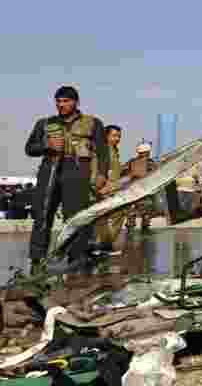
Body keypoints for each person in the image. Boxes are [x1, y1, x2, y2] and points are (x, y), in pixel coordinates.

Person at [24, 86, 108, 272]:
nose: (61, 105)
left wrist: (102, 174)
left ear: (76, 102)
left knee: (75, 218)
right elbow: (29, 148)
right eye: (58, 101)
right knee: (43, 215)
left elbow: (103, 152)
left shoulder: (93, 123)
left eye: (65, 101)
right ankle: (37, 261)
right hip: (49, 171)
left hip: (77, 172)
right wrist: (46, 144)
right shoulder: (44, 123)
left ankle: (75, 259)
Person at [93, 125, 125, 249]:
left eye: (119, 136)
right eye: (114, 136)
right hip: (105, 189)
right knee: (105, 218)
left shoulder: (114, 151)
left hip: (113, 189)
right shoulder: (104, 150)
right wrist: (100, 187)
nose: (117, 139)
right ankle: (103, 245)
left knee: (115, 215)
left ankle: (104, 244)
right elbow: (96, 169)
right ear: (106, 136)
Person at [125, 142, 158, 232]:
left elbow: (124, 173)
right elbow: (155, 175)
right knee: (146, 214)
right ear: (148, 152)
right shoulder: (151, 162)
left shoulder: (131, 162)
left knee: (131, 214)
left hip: (133, 190)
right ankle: (144, 231)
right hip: (145, 191)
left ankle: (130, 230)